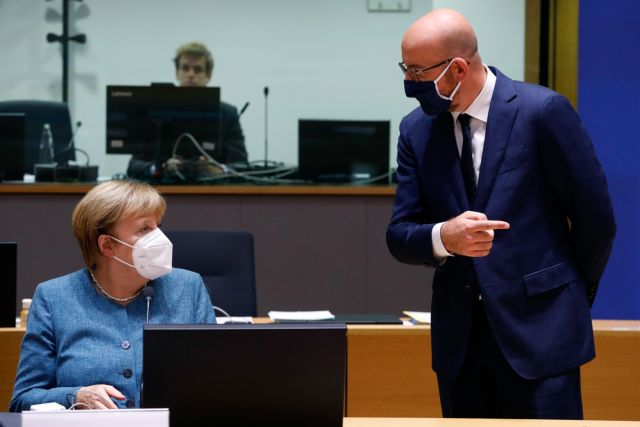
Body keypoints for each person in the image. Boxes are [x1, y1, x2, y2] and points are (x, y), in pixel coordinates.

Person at [386, 9, 616, 419]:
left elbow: (596, 221)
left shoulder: (542, 112)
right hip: (460, 345)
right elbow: (399, 233)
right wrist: (443, 237)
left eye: (419, 72)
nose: (410, 83)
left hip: (543, 335)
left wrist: (570, 297)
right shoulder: (416, 130)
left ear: (458, 68)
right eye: (406, 69)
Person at [10, 180, 216, 411]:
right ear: (107, 245)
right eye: (144, 229)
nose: (159, 238)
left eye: (158, 226)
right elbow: (22, 400)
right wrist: (75, 397)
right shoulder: (53, 298)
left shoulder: (188, 287)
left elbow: (217, 380)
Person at [127, 42, 248, 179]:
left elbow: (241, 164)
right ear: (177, 73)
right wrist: (161, 168)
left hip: (211, 188)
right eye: (185, 68)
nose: (191, 74)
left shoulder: (227, 114)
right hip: (167, 188)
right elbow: (134, 165)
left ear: (208, 75)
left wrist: (220, 170)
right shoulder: (157, 112)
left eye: (198, 69)